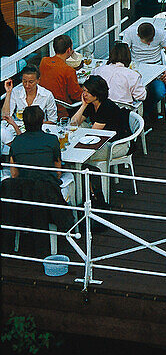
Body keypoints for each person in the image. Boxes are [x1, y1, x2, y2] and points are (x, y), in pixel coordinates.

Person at [3, 105, 75, 251]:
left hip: (22, 197)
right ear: (42, 121)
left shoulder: (17, 142)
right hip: (45, 194)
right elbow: (58, 170)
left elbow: (14, 174)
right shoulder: (52, 139)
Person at [120, 18, 166, 121]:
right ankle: (140, 114)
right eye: (146, 41)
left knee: (159, 91)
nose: (149, 44)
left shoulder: (160, 34)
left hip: (155, 68)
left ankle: (144, 112)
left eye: (151, 40)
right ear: (138, 36)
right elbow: (124, 52)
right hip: (136, 68)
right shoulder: (130, 33)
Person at [70, 74, 131, 140]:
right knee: (79, 126)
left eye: (88, 92)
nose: (84, 94)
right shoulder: (91, 103)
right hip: (101, 135)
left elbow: (92, 134)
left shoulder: (106, 107)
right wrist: (83, 105)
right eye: (84, 90)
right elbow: (73, 124)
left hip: (113, 142)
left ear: (97, 93)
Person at [2, 66, 57, 136]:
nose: (27, 85)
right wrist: (8, 93)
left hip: (39, 131)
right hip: (17, 130)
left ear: (38, 80)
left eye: (31, 82)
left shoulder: (47, 95)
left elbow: (53, 120)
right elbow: (5, 116)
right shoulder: (16, 92)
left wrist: (34, 127)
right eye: (24, 81)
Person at [94, 42, 146, 107]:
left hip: (99, 109)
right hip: (122, 112)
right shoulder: (132, 75)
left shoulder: (98, 70)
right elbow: (141, 96)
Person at [39, 34, 83, 107]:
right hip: (63, 107)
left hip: (44, 104)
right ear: (69, 50)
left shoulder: (44, 61)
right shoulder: (68, 70)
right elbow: (76, 95)